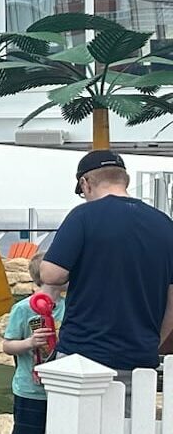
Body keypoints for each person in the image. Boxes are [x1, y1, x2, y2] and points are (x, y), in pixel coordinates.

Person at [39, 149, 173, 375]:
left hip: (83, 356)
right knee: (132, 411)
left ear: (86, 183)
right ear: (124, 179)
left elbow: (52, 275)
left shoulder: (83, 216)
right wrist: (152, 342)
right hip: (140, 359)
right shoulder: (165, 224)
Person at [0, 260, 67, 434]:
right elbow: (8, 344)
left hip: (62, 391)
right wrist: (29, 344)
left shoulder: (70, 309)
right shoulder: (24, 308)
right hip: (30, 390)